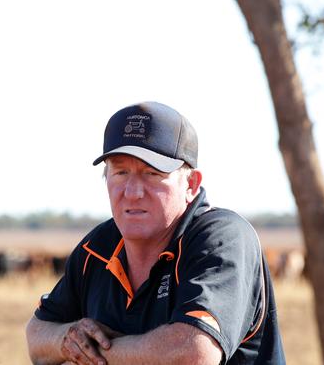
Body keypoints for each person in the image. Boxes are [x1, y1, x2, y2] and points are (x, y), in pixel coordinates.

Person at [25, 102, 285, 365]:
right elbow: (36, 336)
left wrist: (98, 351)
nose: (133, 192)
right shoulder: (97, 247)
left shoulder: (222, 237)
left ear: (191, 184)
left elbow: (194, 354)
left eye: (152, 173)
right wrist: (68, 339)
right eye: (120, 172)